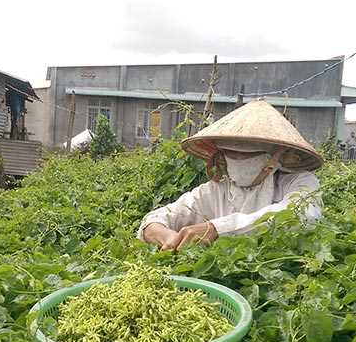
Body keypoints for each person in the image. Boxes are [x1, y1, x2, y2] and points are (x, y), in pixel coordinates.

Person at [138, 99, 323, 251]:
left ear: (274, 158)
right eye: (231, 154)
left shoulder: (299, 182)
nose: (238, 159)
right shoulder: (216, 190)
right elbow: (158, 218)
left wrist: (218, 229)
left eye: (248, 155)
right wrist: (164, 235)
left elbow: (301, 215)